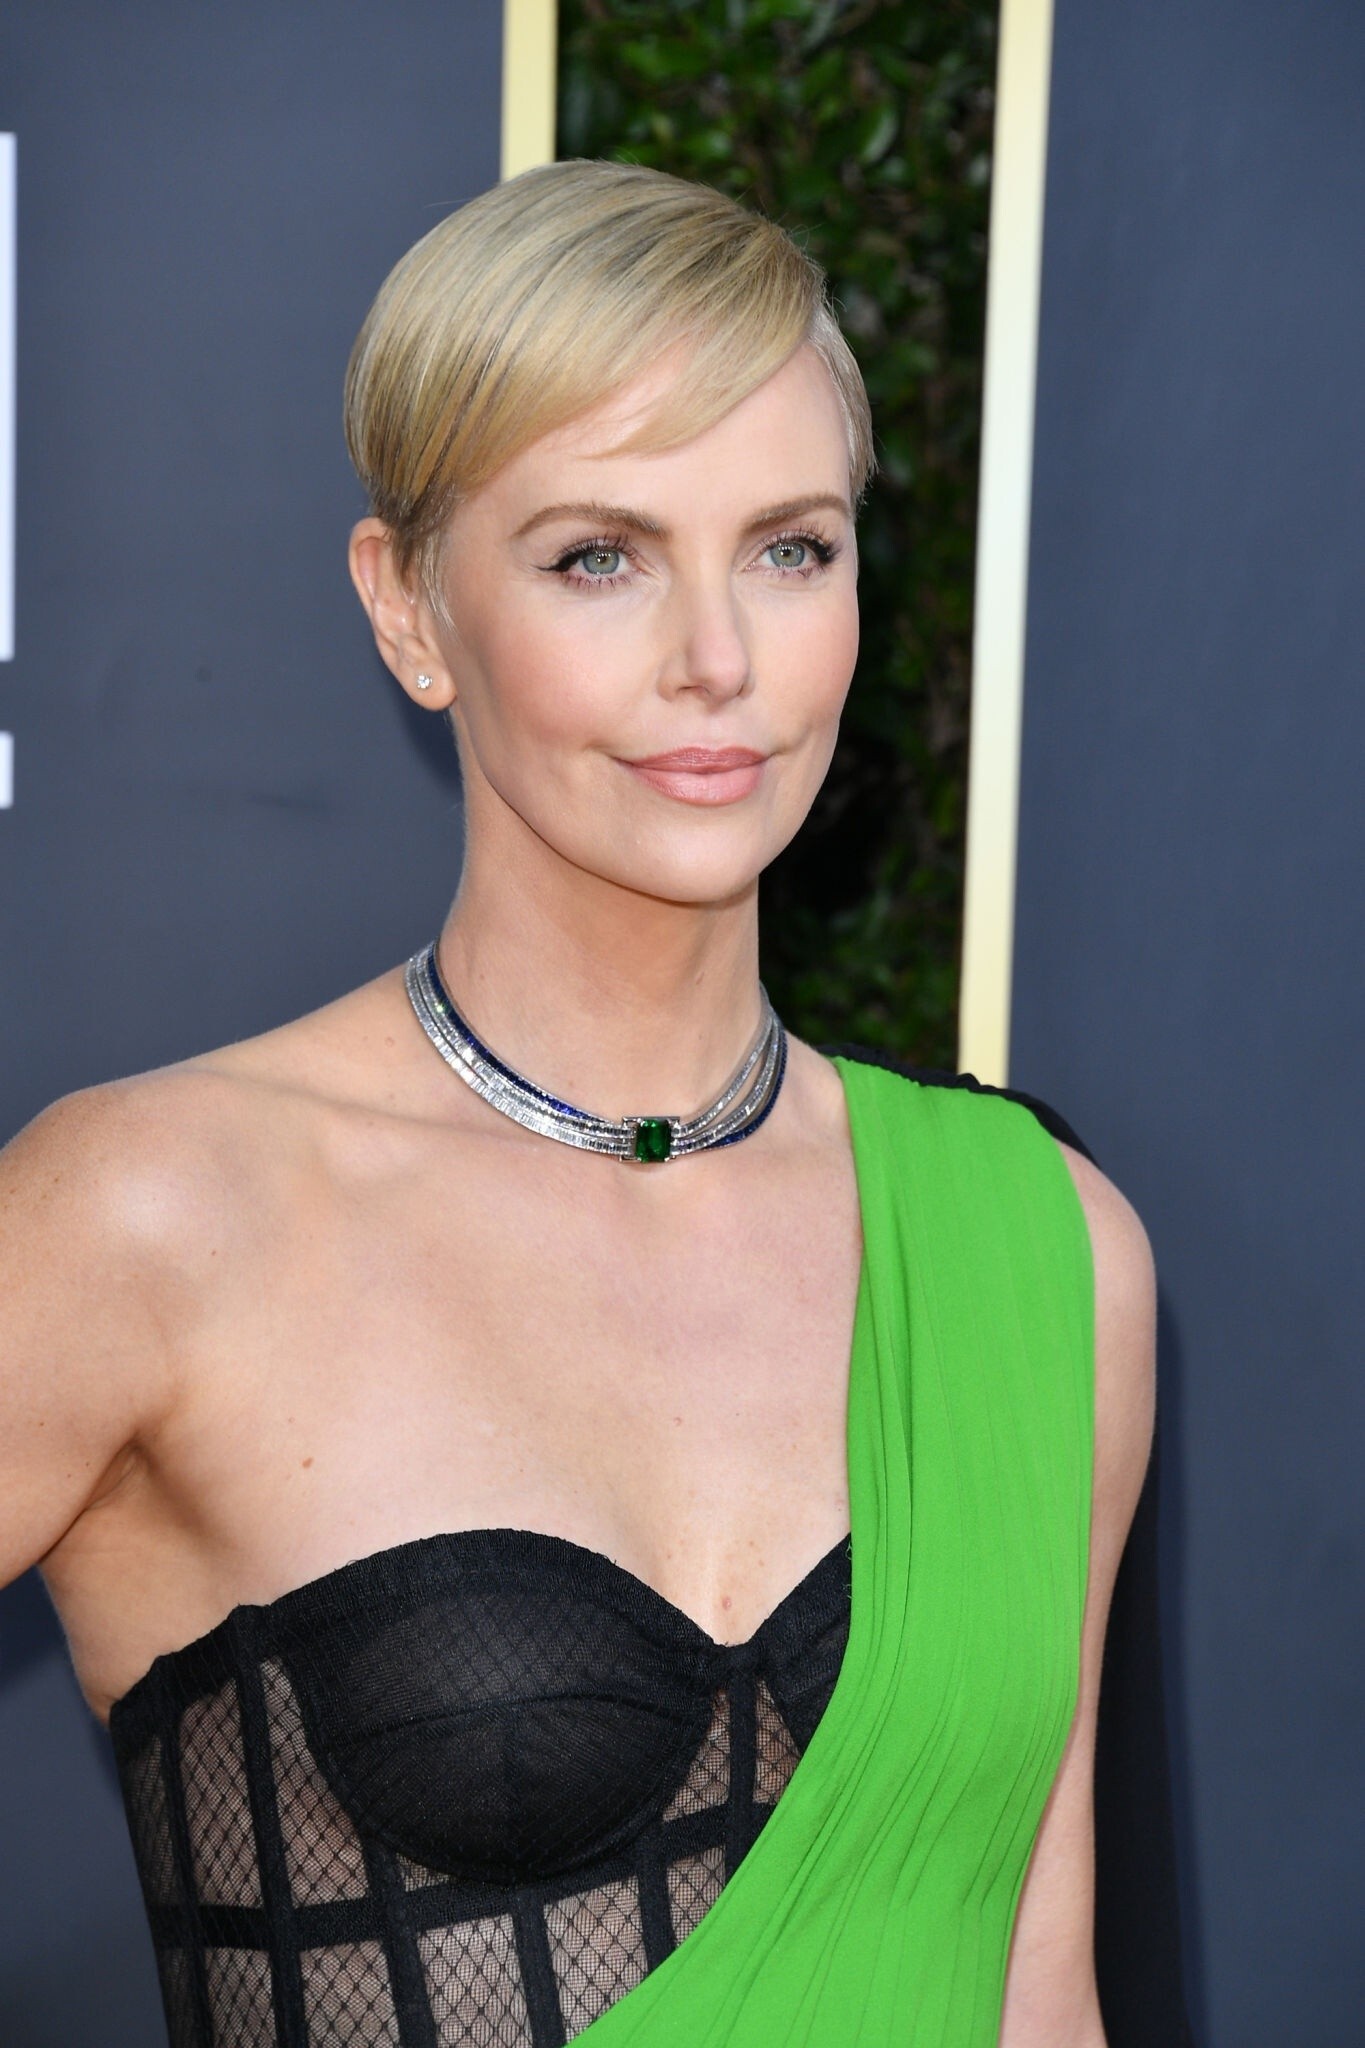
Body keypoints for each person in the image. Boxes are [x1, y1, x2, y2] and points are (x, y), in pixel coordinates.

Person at [0, 161, 1187, 2047]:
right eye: (597, 557)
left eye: (789, 548)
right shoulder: (149, 1216)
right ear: (409, 609)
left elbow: (1037, 1989)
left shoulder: (1040, 1246)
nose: (717, 658)